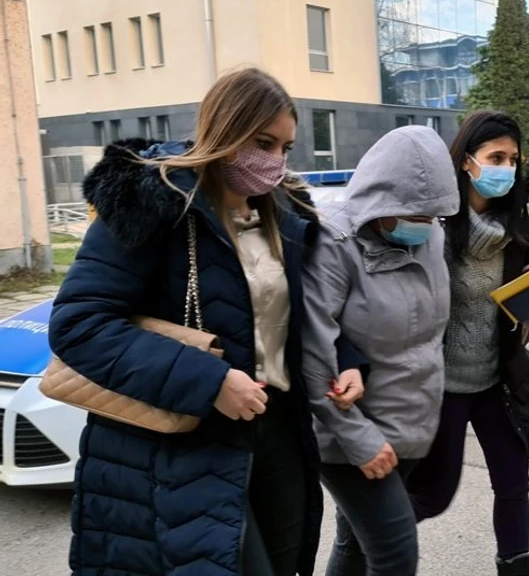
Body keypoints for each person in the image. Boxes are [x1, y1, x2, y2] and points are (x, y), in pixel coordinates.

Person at [48, 67, 364, 576]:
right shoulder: (151, 199)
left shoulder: (284, 216)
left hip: (279, 431)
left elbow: (302, 313)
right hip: (183, 443)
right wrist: (209, 381)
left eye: (285, 148)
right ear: (224, 129)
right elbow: (79, 324)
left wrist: (346, 359)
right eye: (263, 143)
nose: (276, 162)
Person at [407, 110, 529, 576]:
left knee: (514, 484)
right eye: (496, 157)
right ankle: (369, 536)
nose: (507, 168)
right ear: (466, 160)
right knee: (433, 494)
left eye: (513, 159)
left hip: (497, 383)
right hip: (444, 387)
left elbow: (514, 324)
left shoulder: (515, 232)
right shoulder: (433, 230)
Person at [300, 125, 459, 576]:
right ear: (381, 201)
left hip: (410, 422)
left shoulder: (431, 236)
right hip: (349, 431)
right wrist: (359, 439)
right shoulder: (335, 243)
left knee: (356, 545)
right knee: (395, 554)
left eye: (431, 215)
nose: (423, 224)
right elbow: (313, 349)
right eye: (413, 213)